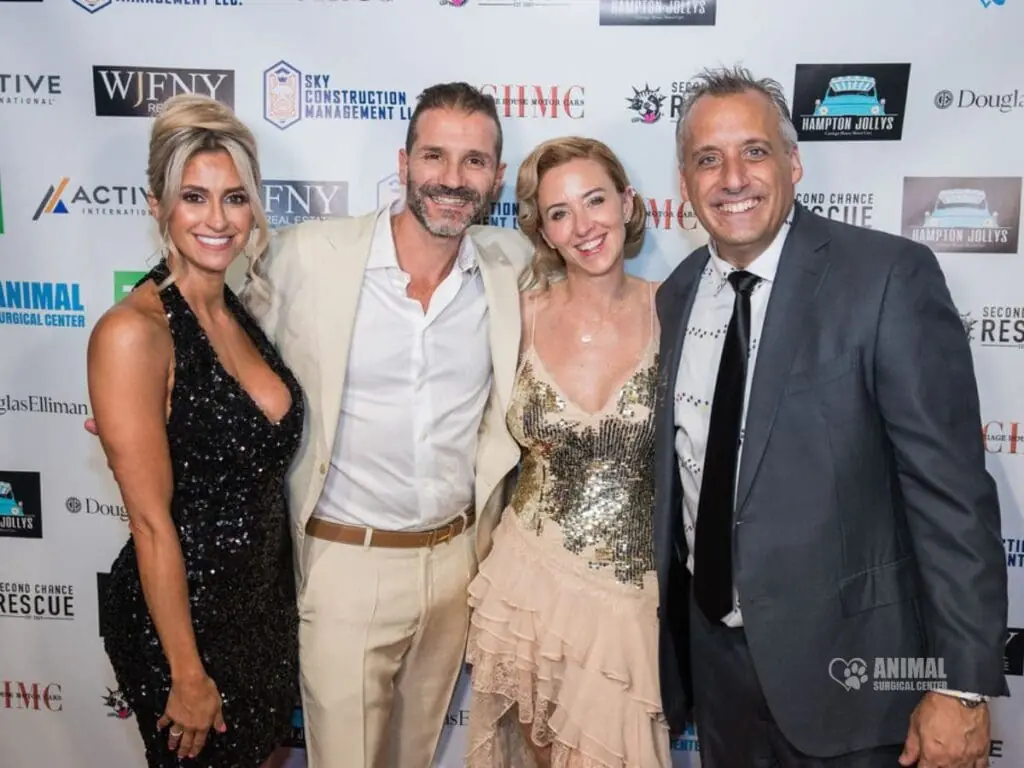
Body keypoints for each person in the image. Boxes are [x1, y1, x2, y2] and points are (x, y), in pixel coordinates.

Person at [653, 65, 1008, 768]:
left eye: (754, 151)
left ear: (793, 162)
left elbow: (952, 496)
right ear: (685, 182)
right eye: (707, 158)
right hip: (719, 673)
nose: (732, 177)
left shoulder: (885, 277)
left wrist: (962, 686)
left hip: (858, 679)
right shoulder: (678, 293)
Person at [247, 83, 532, 768]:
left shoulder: (511, 265)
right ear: (403, 163)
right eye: (435, 156)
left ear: (496, 176)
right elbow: (199, 290)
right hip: (346, 561)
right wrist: (139, 384)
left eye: (474, 162)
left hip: (455, 566)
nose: (452, 180)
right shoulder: (308, 257)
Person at [88, 94, 302, 767]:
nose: (217, 219)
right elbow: (151, 523)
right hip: (185, 629)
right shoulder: (134, 333)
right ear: (157, 205)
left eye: (235, 198)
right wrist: (185, 672)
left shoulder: (238, 308)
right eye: (194, 197)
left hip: (262, 610)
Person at [465, 136, 670, 768]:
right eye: (559, 213)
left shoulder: (677, 309)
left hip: (632, 600)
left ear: (628, 203)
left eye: (595, 201)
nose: (583, 227)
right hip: (528, 585)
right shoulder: (514, 316)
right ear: (544, 231)